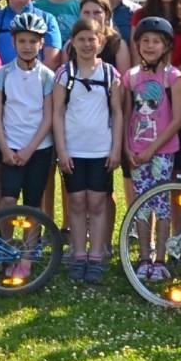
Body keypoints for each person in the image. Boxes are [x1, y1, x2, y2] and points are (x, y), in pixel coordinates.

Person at [52, 18, 122, 285]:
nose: (86, 44)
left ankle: (96, 255)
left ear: (101, 42)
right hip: (74, 150)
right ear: (73, 42)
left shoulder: (109, 74)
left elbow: (117, 113)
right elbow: (57, 114)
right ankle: (78, 253)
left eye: (92, 39)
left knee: (98, 202)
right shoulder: (64, 74)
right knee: (77, 203)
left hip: (101, 150)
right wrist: (62, 149)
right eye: (81, 39)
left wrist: (115, 149)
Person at [0, 13, 57, 280]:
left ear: (41, 44)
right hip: (10, 146)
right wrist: (5, 149)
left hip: (38, 148)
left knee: (33, 204)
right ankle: (7, 249)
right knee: (7, 200)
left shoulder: (47, 77)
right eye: (22, 41)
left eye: (33, 41)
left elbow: (49, 116)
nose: (27, 46)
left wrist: (31, 149)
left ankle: (28, 256)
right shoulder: (2, 75)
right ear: (14, 43)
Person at [125, 17, 181, 282]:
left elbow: (177, 120)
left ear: (166, 46)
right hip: (136, 152)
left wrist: (153, 149)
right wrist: (128, 147)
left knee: (161, 205)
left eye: (156, 42)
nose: (150, 46)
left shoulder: (173, 77)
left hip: (162, 151)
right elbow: (126, 115)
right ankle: (143, 257)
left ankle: (160, 258)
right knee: (141, 204)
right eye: (145, 41)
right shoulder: (130, 77)